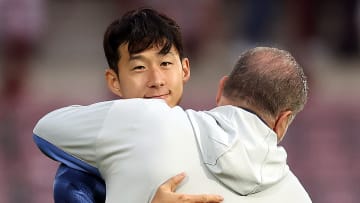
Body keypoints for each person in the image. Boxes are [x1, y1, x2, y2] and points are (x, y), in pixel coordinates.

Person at [33, 46, 312, 202]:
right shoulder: (298, 198)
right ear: (283, 121)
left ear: (222, 87)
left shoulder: (148, 118)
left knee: (72, 178)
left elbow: (46, 130)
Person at [34, 7, 223, 203]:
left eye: (165, 63)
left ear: (184, 70)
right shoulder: (80, 180)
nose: (156, 80)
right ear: (114, 81)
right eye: (139, 67)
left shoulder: (218, 141)